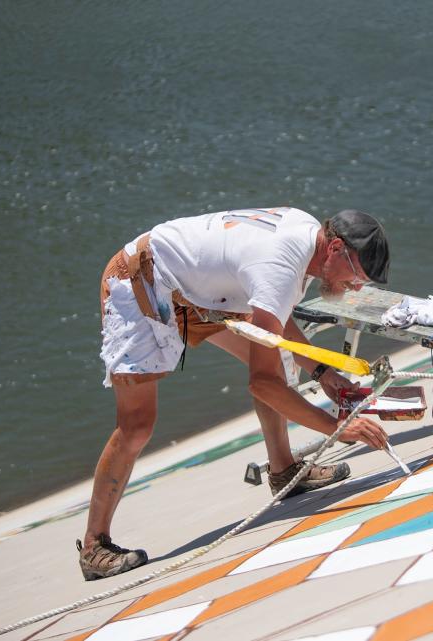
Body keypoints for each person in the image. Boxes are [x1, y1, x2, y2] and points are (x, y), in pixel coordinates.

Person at [77, 207, 391, 581]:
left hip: (194, 287)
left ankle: (283, 470)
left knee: (276, 360)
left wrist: (321, 372)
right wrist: (339, 428)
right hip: (139, 282)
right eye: (357, 277)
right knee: (137, 425)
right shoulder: (281, 263)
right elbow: (262, 384)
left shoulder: (306, 239)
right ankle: (94, 545)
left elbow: (272, 313)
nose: (356, 287)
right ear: (336, 247)